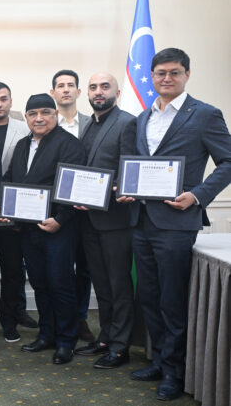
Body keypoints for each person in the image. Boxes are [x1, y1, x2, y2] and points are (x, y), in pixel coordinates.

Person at [120, 48, 231, 401]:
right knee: (150, 297)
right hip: (141, 219)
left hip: (176, 223)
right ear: (152, 77)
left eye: (174, 72)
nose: (167, 78)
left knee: (172, 300)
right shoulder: (143, 117)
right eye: (160, 73)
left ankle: (175, 371)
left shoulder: (205, 114)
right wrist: (127, 188)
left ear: (187, 75)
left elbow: (228, 161)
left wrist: (197, 195)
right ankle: (158, 359)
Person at [3, 93, 86, 365]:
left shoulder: (69, 144)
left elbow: (74, 186)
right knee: (39, 284)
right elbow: (11, 179)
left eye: (45, 113)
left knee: (60, 285)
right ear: (26, 117)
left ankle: (66, 341)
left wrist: (61, 219)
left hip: (58, 228)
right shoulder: (22, 145)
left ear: (55, 115)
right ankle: (47, 334)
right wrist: (2, 202)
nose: (39, 118)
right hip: (28, 229)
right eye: (32, 114)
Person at [73, 73, 137, 369]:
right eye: (93, 87)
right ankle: (107, 338)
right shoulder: (89, 124)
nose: (98, 92)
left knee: (118, 286)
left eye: (105, 87)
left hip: (115, 220)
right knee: (101, 284)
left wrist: (104, 192)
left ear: (117, 92)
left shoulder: (127, 123)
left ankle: (121, 347)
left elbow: (129, 172)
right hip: (89, 220)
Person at [0, 81, 33, 342]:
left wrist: (14, 207)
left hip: (14, 214)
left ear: (10, 101)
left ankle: (9, 322)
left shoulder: (25, 130)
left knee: (12, 271)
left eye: (3, 99)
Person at [49, 69, 95, 342]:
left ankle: (80, 317)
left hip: (87, 209)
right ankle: (59, 318)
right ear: (53, 92)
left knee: (84, 267)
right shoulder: (44, 123)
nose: (65, 89)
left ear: (78, 92)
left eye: (70, 85)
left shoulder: (93, 123)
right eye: (60, 85)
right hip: (56, 211)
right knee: (59, 268)